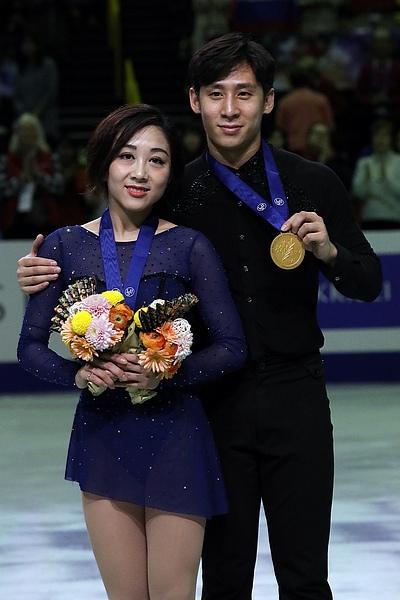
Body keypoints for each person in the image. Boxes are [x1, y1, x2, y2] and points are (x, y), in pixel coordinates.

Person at [16, 33, 382, 600]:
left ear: (267, 100)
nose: (229, 108)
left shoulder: (314, 183)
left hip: (295, 394)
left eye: (244, 93)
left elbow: (369, 281)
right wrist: (43, 272)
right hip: (213, 403)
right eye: (216, 94)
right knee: (225, 579)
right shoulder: (174, 191)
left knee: (306, 576)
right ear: (195, 101)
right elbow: (118, 243)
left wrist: (331, 253)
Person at [16, 103, 247, 600]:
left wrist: (167, 375)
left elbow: (232, 346)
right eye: (127, 156)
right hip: (103, 435)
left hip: (177, 437)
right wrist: (79, 375)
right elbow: (30, 349)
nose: (141, 172)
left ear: (170, 174)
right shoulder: (64, 246)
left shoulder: (190, 246)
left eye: (158, 160)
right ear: (103, 164)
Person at [0, 112, 64, 239]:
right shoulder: (7, 160)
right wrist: (22, 177)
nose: (27, 135)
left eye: (30, 131)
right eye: (23, 131)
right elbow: (2, 190)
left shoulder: (50, 158)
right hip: (14, 218)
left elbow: (60, 187)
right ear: (17, 134)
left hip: (45, 216)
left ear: (37, 133)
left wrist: (40, 176)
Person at [351, 118, 400, 229]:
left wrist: (387, 178)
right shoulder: (364, 163)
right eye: (377, 136)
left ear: (391, 139)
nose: (380, 140)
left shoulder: (398, 162)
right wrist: (367, 182)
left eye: (384, 136)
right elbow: (358, 193)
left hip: (395, 218)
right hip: (370, 218)